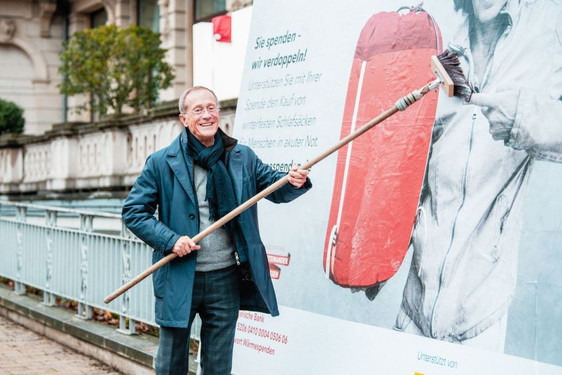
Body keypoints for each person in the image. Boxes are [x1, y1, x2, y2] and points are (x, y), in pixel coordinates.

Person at [394, 0, 562, 351]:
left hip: (479, 319)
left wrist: (523, 119)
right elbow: (404, 160)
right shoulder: (437, 29)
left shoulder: (549, 28)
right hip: (412, 309)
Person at [122, 86, 311, 375]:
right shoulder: (161, 162)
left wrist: (293, 180)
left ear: (219, 113)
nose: (207, 115)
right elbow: (134, 212)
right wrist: (171, 240)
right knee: (171, 364)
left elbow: (275, 187)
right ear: (184, 119)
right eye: (198, 110)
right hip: (179, 276)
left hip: (225, 279)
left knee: (218, 367)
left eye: (211, 108)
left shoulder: (241, 157)